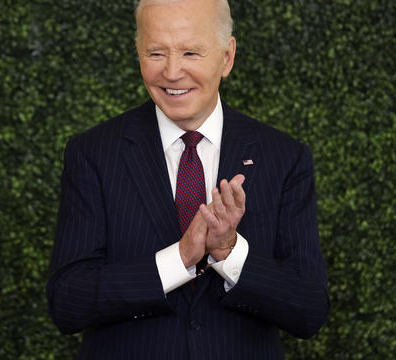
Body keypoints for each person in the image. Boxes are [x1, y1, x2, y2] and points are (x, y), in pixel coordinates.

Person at [46, 0, 329, 358]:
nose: (172, 71)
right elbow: (68, 302)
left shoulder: (285, 157)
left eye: (191, 52)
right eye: (155, 52)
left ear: (227, 58)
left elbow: (309, 310)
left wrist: (229, 252)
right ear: (137, 53)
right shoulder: (93, 153)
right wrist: (179, 258)